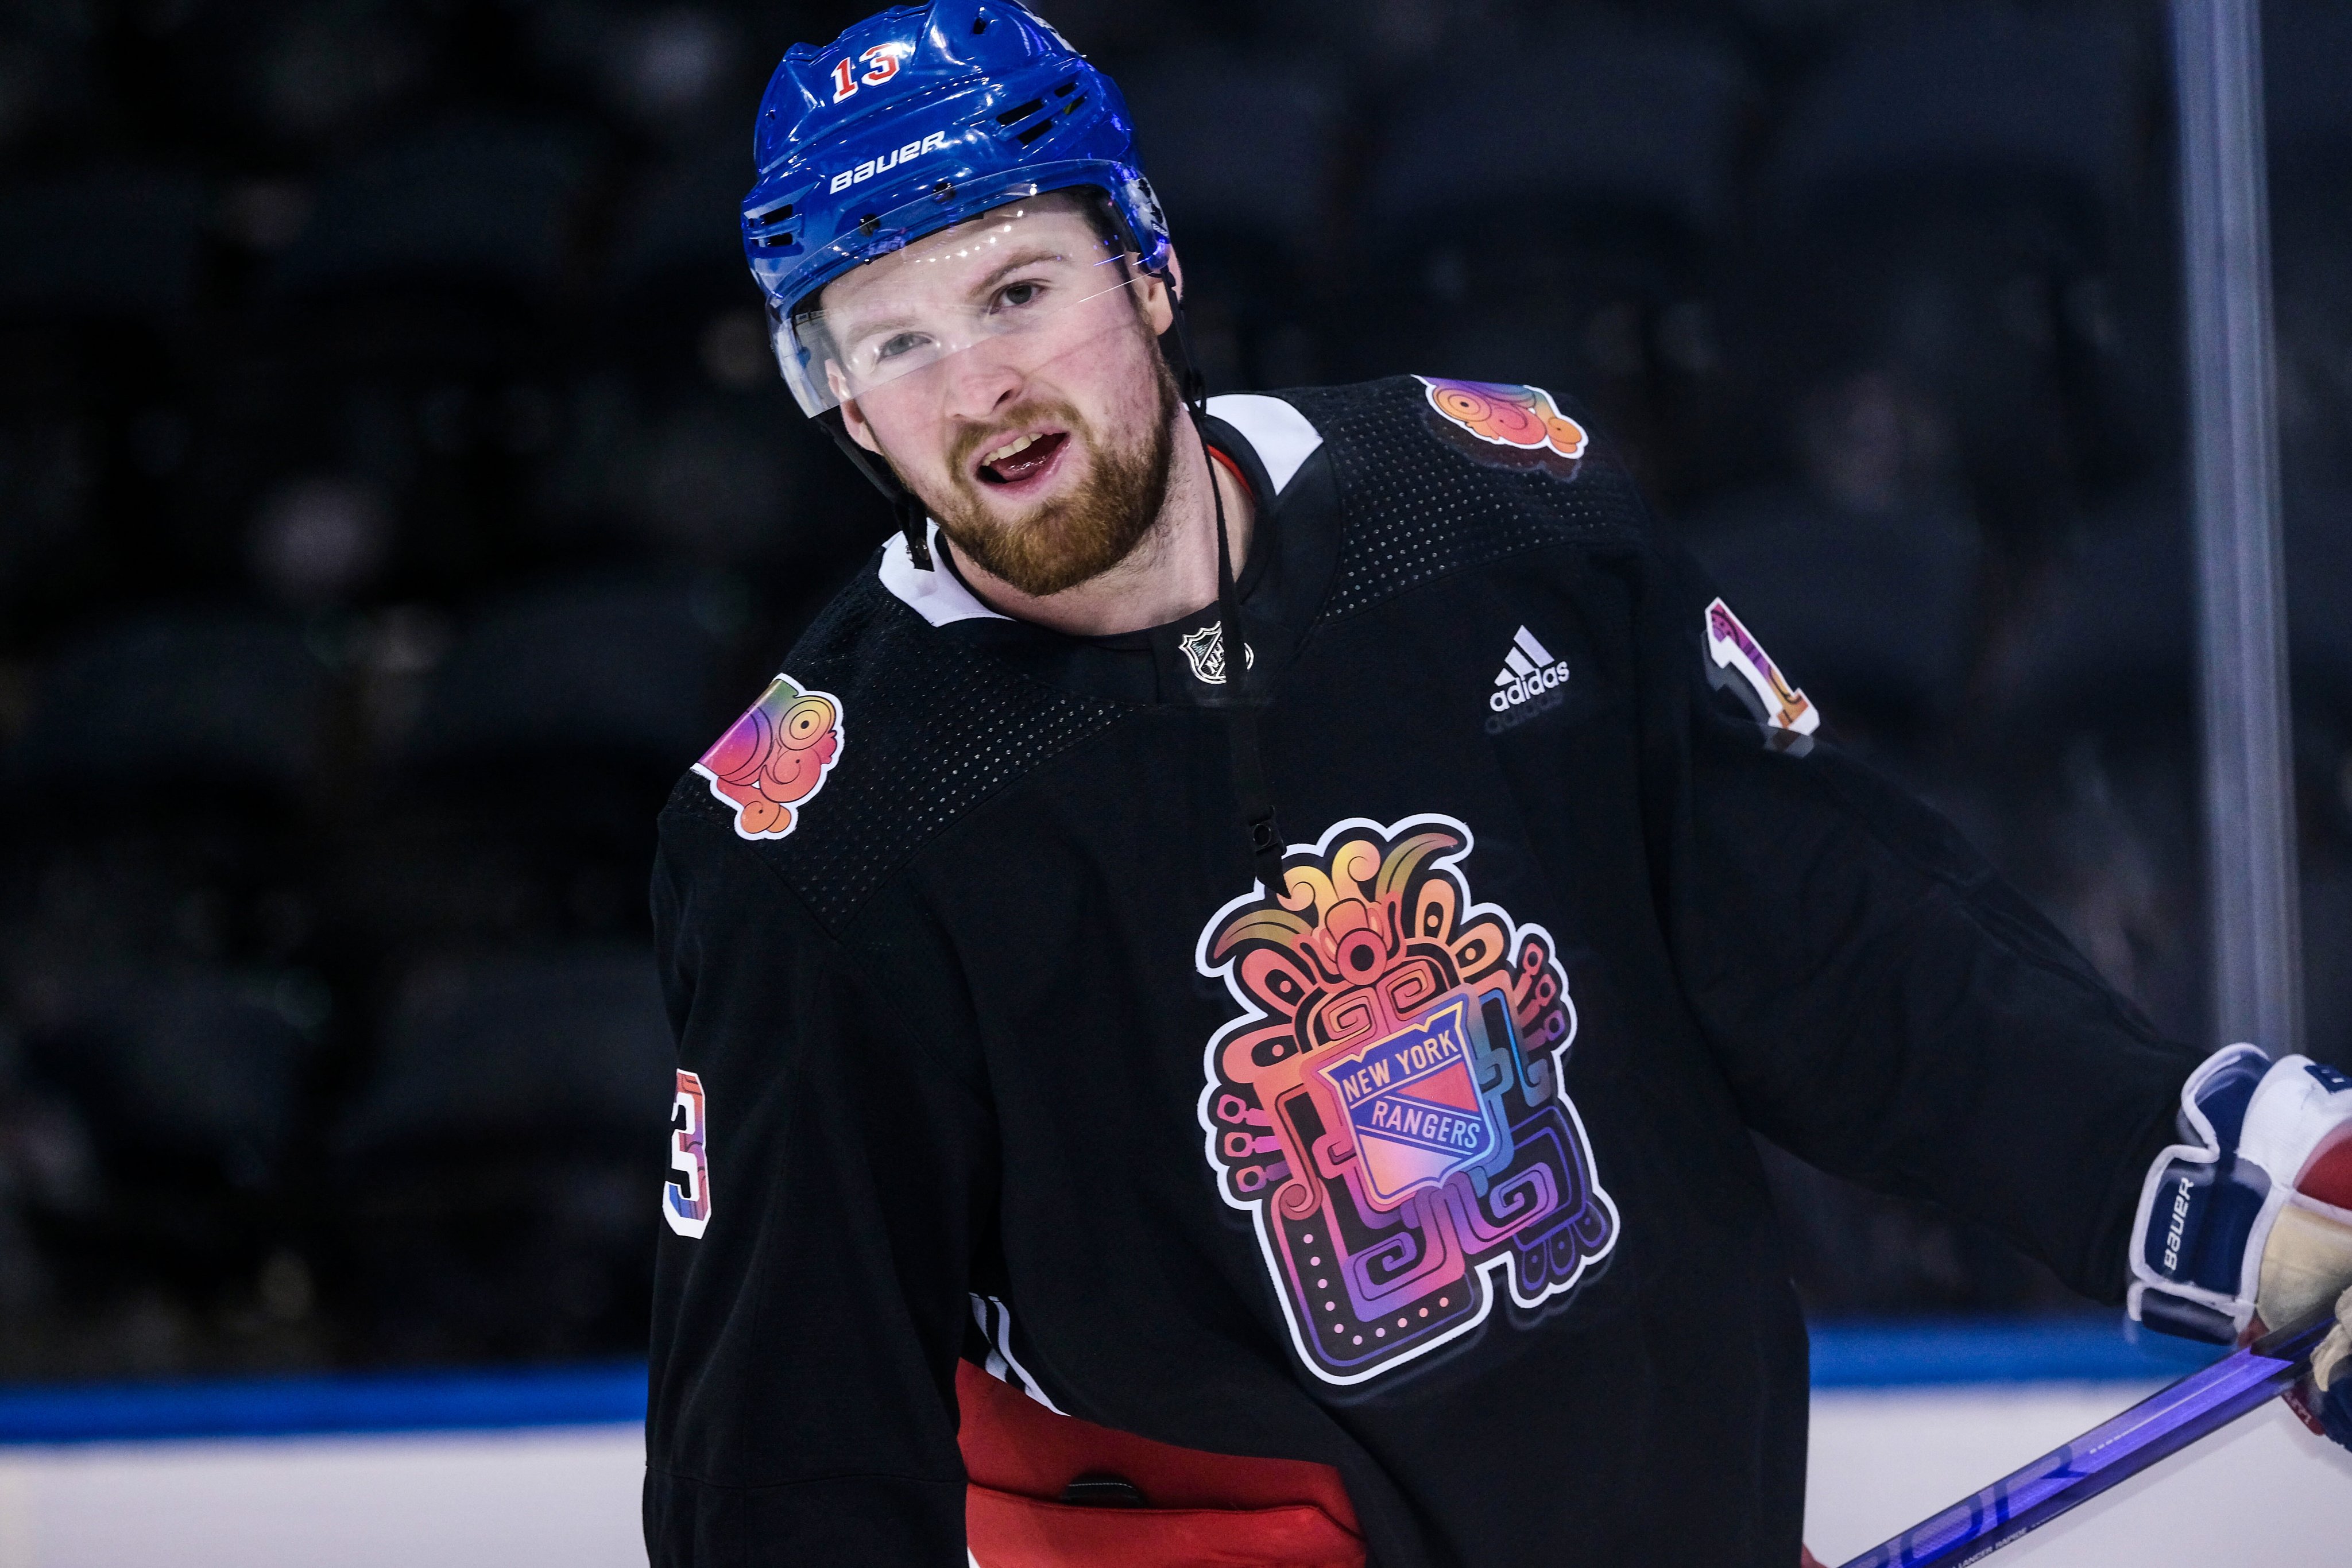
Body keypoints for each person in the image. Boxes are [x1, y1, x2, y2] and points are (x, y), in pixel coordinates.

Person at [642, 5, 2352, 1565]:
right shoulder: (827, 840)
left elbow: (1853, 955)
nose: (981, 388)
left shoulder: (1490, 521)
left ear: (1146, 267)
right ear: (845, 409)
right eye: (897, 343)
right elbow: (788, 1458)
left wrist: (2243, 1188)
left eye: (1018, 291)